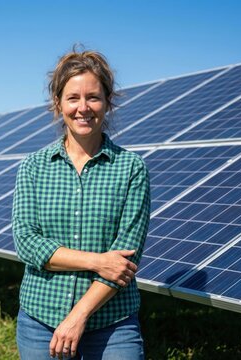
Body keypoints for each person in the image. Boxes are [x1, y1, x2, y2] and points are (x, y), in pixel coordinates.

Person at [12, 47, 150, 359]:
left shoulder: (131, 169)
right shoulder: (33, 167)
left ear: (107, 102)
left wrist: (78, 316)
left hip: (111, 322)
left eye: (93, 97)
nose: (83, 108)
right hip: (40, 318)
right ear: (57, 103)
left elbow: (126, 258)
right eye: (73, 97)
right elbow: (27, 243)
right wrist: (97, 260)